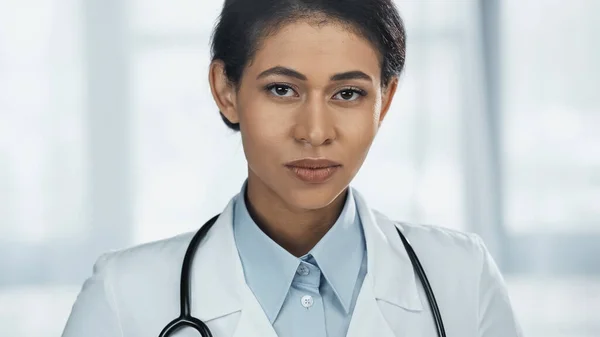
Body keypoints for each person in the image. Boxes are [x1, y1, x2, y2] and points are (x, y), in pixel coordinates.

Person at [61, 0, 523, 336]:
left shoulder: (463, 278)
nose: (315, 132)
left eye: (348, 94)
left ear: (386, 102)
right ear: (226, 89)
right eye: (283, 90)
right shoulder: (123, 299)